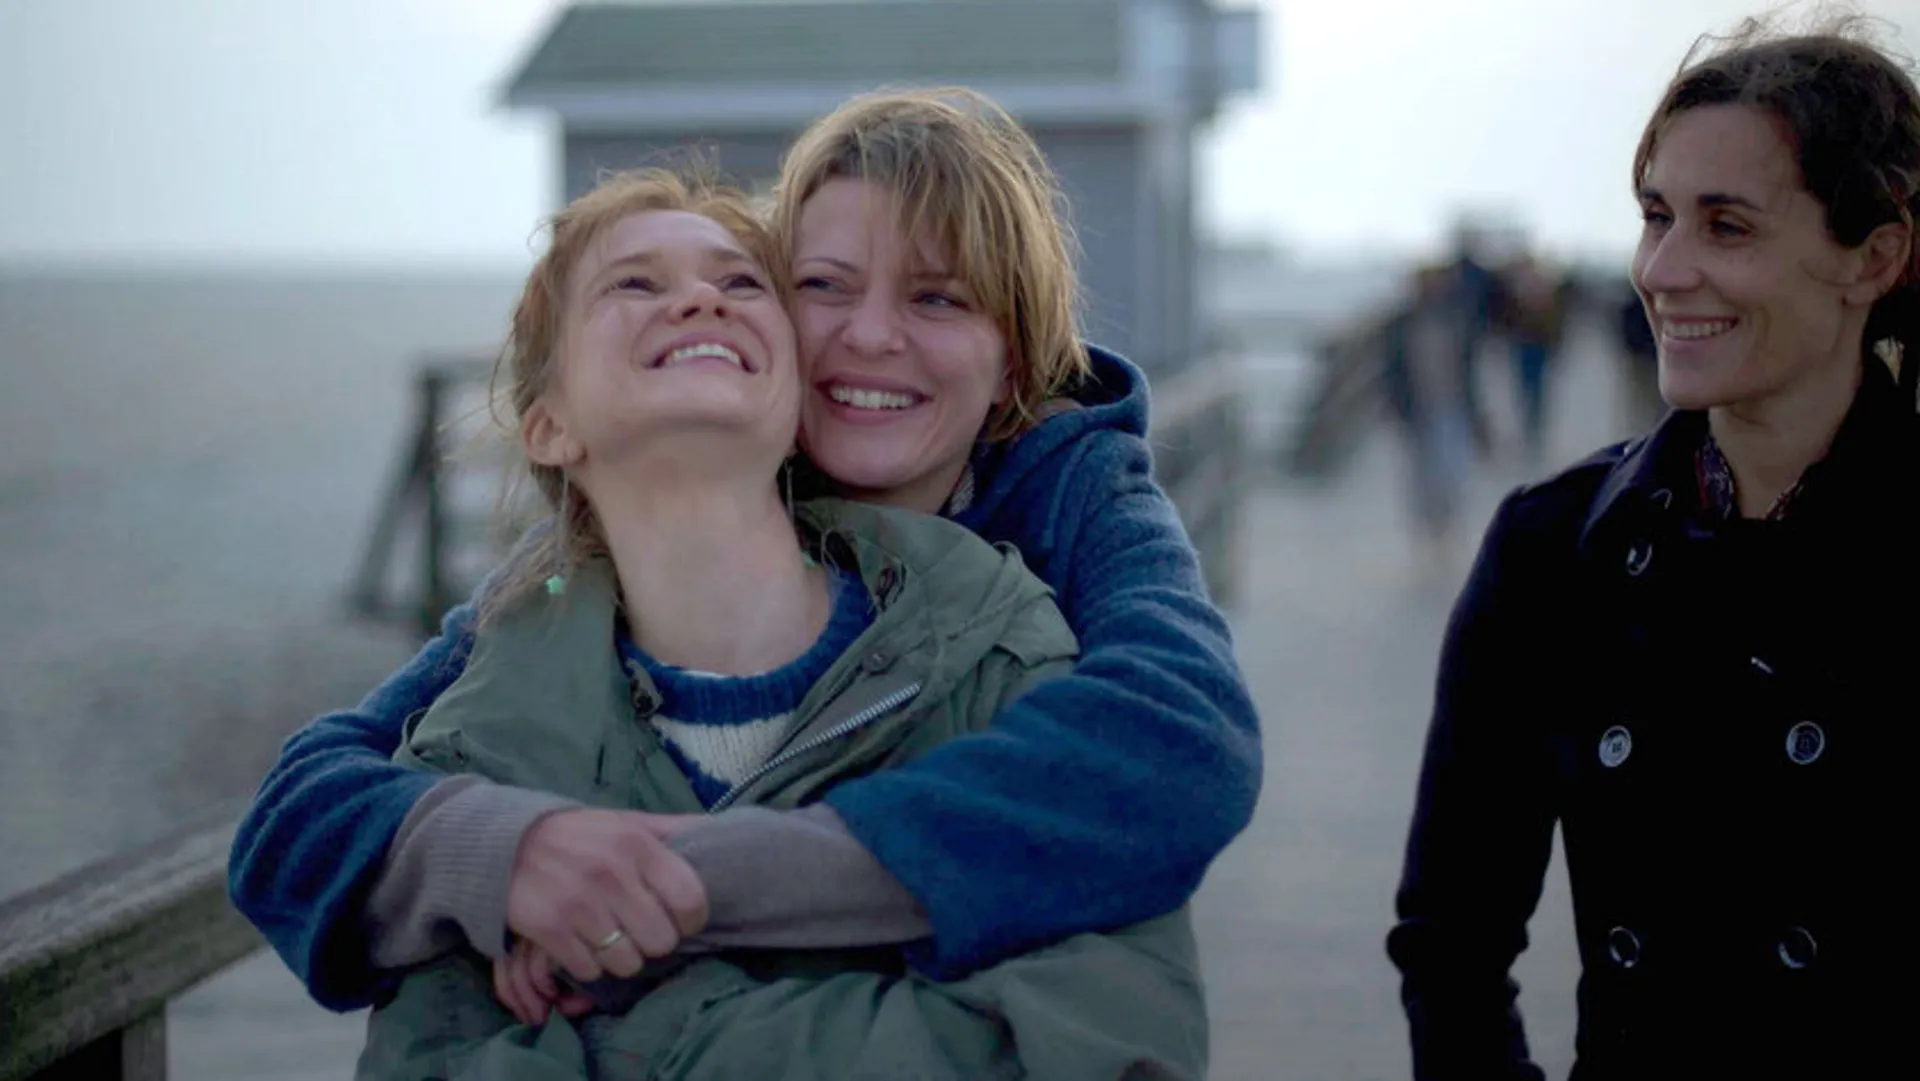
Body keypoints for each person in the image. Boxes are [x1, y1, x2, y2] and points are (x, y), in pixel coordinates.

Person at [227, 86, 1260, 1020]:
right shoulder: (640, 538)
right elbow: (304, 808)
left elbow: (1185, 742)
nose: (871, 335)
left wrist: (683, 884)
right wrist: (512, 853)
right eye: (823, 284)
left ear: (1015, 367)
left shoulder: (1071, 492)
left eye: (938, 298)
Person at [1388, 15, 1920, 1079]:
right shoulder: (1554, 548)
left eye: (1727, 226)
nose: (1663, 271)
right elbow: (1452, 940)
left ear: (1873, 256)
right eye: (1656, 217)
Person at [1380, 263, 1477, 573]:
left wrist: (1478, 415)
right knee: (1420, 477)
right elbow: (1391, 369)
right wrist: (1395, 406)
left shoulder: (1455, 319)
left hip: (1451, 406)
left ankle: (1447, 530)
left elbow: (1468, 369)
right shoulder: (1401, 323)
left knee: (1451, 472)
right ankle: (1427, 534)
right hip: (1417, 409)